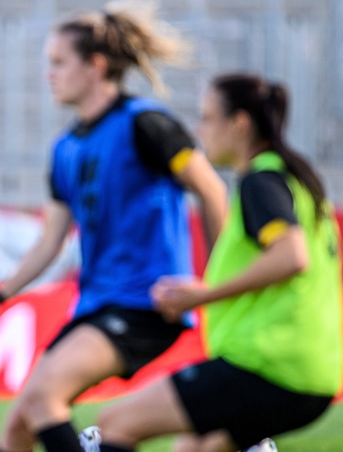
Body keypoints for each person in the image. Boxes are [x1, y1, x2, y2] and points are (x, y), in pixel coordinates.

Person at [0, 5, 228, 452]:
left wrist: (217, 286)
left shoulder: (146, 124)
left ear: (96, 66)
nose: (50, 74)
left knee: (44, 397)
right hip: (96, 304)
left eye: (59, 62)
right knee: (17, 430)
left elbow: (211, 190)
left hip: (146, 300)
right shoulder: (65, 148)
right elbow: (50, 241)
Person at [93, 74, 341, 452]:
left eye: (207, 118)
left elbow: (292, 256)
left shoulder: (262, 181)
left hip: (269, 366)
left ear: (239, 124)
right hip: (314, 371)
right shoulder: (296, 180)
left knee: (115, 424)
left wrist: (204, 296)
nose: (199, 129)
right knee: (197, 447)